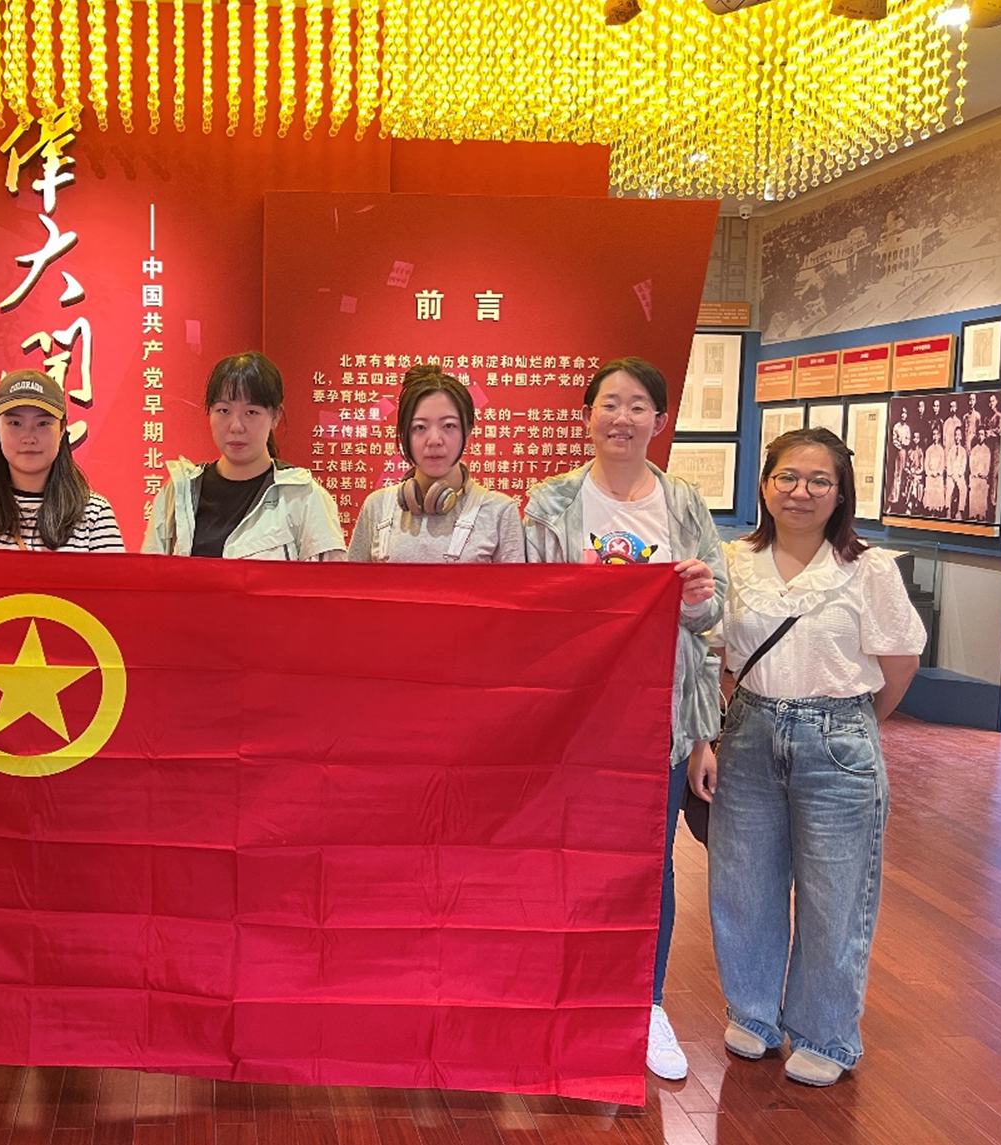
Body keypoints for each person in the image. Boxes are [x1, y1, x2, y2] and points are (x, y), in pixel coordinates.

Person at [691, 428, 923, 1087]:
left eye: (820, 480)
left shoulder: (868, 568)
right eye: (788, 477)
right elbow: (714, 658)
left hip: (839, 735)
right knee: (744, 882)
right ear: (765, 485)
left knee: (835, 894)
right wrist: (709, 737)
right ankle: (754, 1011)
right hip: (749, 729)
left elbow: (900, 663)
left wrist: (850, 727)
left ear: (841, 492)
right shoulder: (733, 561)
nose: (802, 491)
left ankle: (825, 1032)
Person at [523, 356, 725, 1082]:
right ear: (588, 416)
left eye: (639, 405)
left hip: (660, 720)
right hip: (575, 719)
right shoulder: (550, 502)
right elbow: (530, 608)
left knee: (650, 864)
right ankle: (564, 1000)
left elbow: (715, 616)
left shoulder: (684, 504)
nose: (622, 418)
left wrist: (698, 598)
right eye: (610, 403)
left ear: (660, 420)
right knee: (563, 858)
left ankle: (648, 1004)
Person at [143, 351, 345, 560]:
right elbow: (149, 573)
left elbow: (329, 577)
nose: (236, 426)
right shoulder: (179, 492)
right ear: (209, 412)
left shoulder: (304, 496)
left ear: (275, 417)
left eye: (251, 412)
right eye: (224, 410)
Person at [348, 364, 525, 563]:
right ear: (404, 433)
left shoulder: (500, 512)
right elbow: (351, 581)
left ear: (467, 431)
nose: (434, 440)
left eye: (449, 425)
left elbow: (513, 584)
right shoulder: (377, 506)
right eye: (420, 427)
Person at [0, 369, 123, 551]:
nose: (28, 437)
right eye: (15, 423)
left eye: (43, 423)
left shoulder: (95, 514)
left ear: (62, 429)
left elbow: (113, 575)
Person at [945, 425, 969, 521]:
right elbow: (948, 463)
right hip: (951, 475)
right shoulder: (951, 449)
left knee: (963, 489)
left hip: (959, 475)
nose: (957, 437)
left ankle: (959, 511)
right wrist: (951, 474)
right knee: (948, 488)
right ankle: (948, 510)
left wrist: (959, 474)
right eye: (955, 435)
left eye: (959, 435)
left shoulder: (963, 451)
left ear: (961, 437)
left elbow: (964, 464)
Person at [968, 429, 992, 521]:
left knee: (982, 490)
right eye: (979, 434)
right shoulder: (974, 450)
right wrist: (975, 473)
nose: (980, 437)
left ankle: (981, 515)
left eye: (982, 434)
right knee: (974, 490)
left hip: (983, 477)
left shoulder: (987, 450)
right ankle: (974, 515)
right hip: (975, 476)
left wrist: (984, 473)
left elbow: (987, 465)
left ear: (985, 436)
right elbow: (971, 464)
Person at [922, 425, 946, 516]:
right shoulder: (929, 450)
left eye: (937, 434)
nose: (935, 436)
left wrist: (938, 472)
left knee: (938, 488)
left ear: (939, 436)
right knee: (930, 487)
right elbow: (926, 463)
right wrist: (930, 472)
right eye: (933, 434)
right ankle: (930, 510)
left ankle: (937, 510)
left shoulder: (941, 450)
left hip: (938, 475)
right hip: (930, 474)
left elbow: (942, 463)